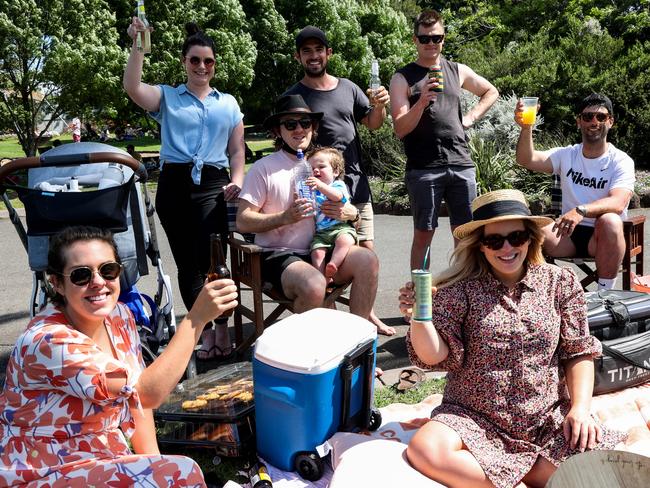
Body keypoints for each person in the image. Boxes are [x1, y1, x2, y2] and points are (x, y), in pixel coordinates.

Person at [398, 189, 626, 488]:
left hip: (546, 416)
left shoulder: (559, 282)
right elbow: (433, 356)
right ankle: (528, 476)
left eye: (516, 237)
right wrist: (419, 316)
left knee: (605, 468)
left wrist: (580, 409)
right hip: (473, 416)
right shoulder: (458, 290)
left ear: (531, 238)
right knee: (425, 449)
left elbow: (578, 351)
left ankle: (508, 473)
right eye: (494, 240)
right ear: (480, 246)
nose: (506, 248)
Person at [0, 226, 238, 486]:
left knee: (171, 472)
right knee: (183, 472)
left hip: (97, 454)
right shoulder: (47, 341)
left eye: (107, 270)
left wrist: (154, 462)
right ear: (56, 283)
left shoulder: (119, 316)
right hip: (38, 467)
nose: (99, 282)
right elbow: (147, 392)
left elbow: (137, 402)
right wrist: (195, 319)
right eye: (81, 275)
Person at [123, 19, 245, 360]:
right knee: (188, 267)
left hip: (214, 187)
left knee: (215, 263)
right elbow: (133, 87)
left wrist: (238, 180)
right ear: (184, 62)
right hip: (175, 186)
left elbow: (237, 151)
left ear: (214, 65)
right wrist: (137, 45)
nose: (202, 67)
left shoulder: (229, 103)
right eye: (195, 60)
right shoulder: (168, 97)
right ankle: (203, 334)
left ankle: (222, 330)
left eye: (208, 61)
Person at [283, 26, 395, 335]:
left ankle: (366, 315)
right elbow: (288, 141)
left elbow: (373, 123)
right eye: (306, 51)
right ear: (298, 56)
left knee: (366, 253)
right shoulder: (294, 96)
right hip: (319, 196)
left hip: (356, 186)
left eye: (319, 49)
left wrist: (381, 105)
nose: (314, 55)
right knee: (325, 253)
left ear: (328, 53)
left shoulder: (348, 87)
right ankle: (332, 322)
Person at [237, 94, 380, 328]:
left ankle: (355, 345)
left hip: (324, 247)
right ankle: (310, 357)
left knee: (367, 260)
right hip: (279, 255)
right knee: (314, 283)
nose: (299, 130)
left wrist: (351, 214)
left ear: (313, 128)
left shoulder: (320, 164)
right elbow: (243, 221)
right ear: (277, 130)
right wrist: (284, 217)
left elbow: (344, 203)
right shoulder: (264, 168)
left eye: (305, 123)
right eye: (290, 124)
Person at [389, 9, 499, 271]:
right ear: (415, 40)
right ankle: (420, 302)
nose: (431, 44)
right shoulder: (402, 77)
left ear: (444, 39)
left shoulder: (456, 70)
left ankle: (460, 296)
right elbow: (400, 128)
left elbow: (490, 91)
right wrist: (422, 101)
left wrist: (470, 117)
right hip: (424, 167)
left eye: (436, 38)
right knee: (424, 235)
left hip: (460, 163)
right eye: (425, 38)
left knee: (465, 235)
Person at [514, 92, 635, 290]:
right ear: (579, 122)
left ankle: (604, 295)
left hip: (603, 237)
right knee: (528, 230)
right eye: (587, 117)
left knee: (610, 220)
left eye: (601, 117)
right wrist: (527, 128)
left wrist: (580, 211)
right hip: (566, 233)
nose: (594, 121)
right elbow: (526, 160)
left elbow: (619, 202)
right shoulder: (567, 154)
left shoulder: (620, 160)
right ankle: (537, 294)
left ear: (611, 122)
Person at [306, 146, 358, 279]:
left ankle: (333, 264)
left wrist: (320, 185)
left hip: (340, 228)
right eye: (311, 169)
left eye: (321, 167)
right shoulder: (310, 190)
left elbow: (338, 197)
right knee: (317, 253)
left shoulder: (337, 185)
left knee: (345, 241)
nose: (315, 170)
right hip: (321, 233)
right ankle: (321, 278)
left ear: (335, 171)